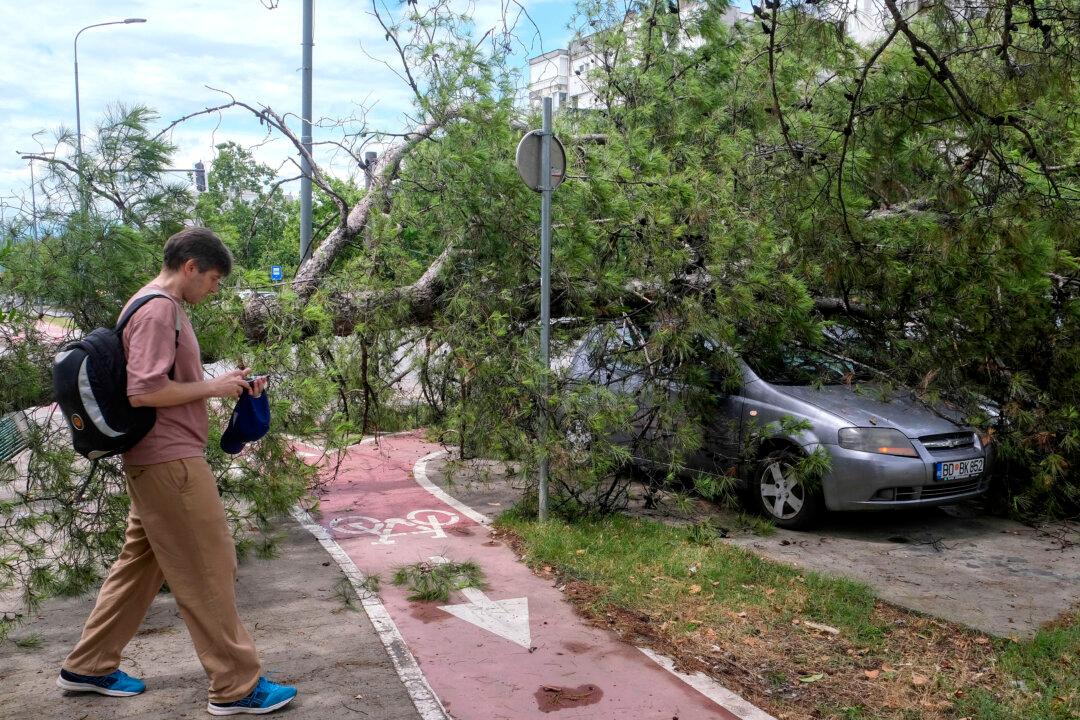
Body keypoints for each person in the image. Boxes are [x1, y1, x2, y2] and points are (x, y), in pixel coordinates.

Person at [56, 227, 297, 716]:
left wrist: (223, 384)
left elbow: (161, 382)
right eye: (213, 279)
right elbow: (144, 392)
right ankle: (236, 686)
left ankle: (89, 664)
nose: (215, 289)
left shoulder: (148, 303)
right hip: (170, 463)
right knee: (209, 567)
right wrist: (213, 390)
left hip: (156, 461)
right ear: (190, 266)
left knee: (139, 568)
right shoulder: (161, 307)